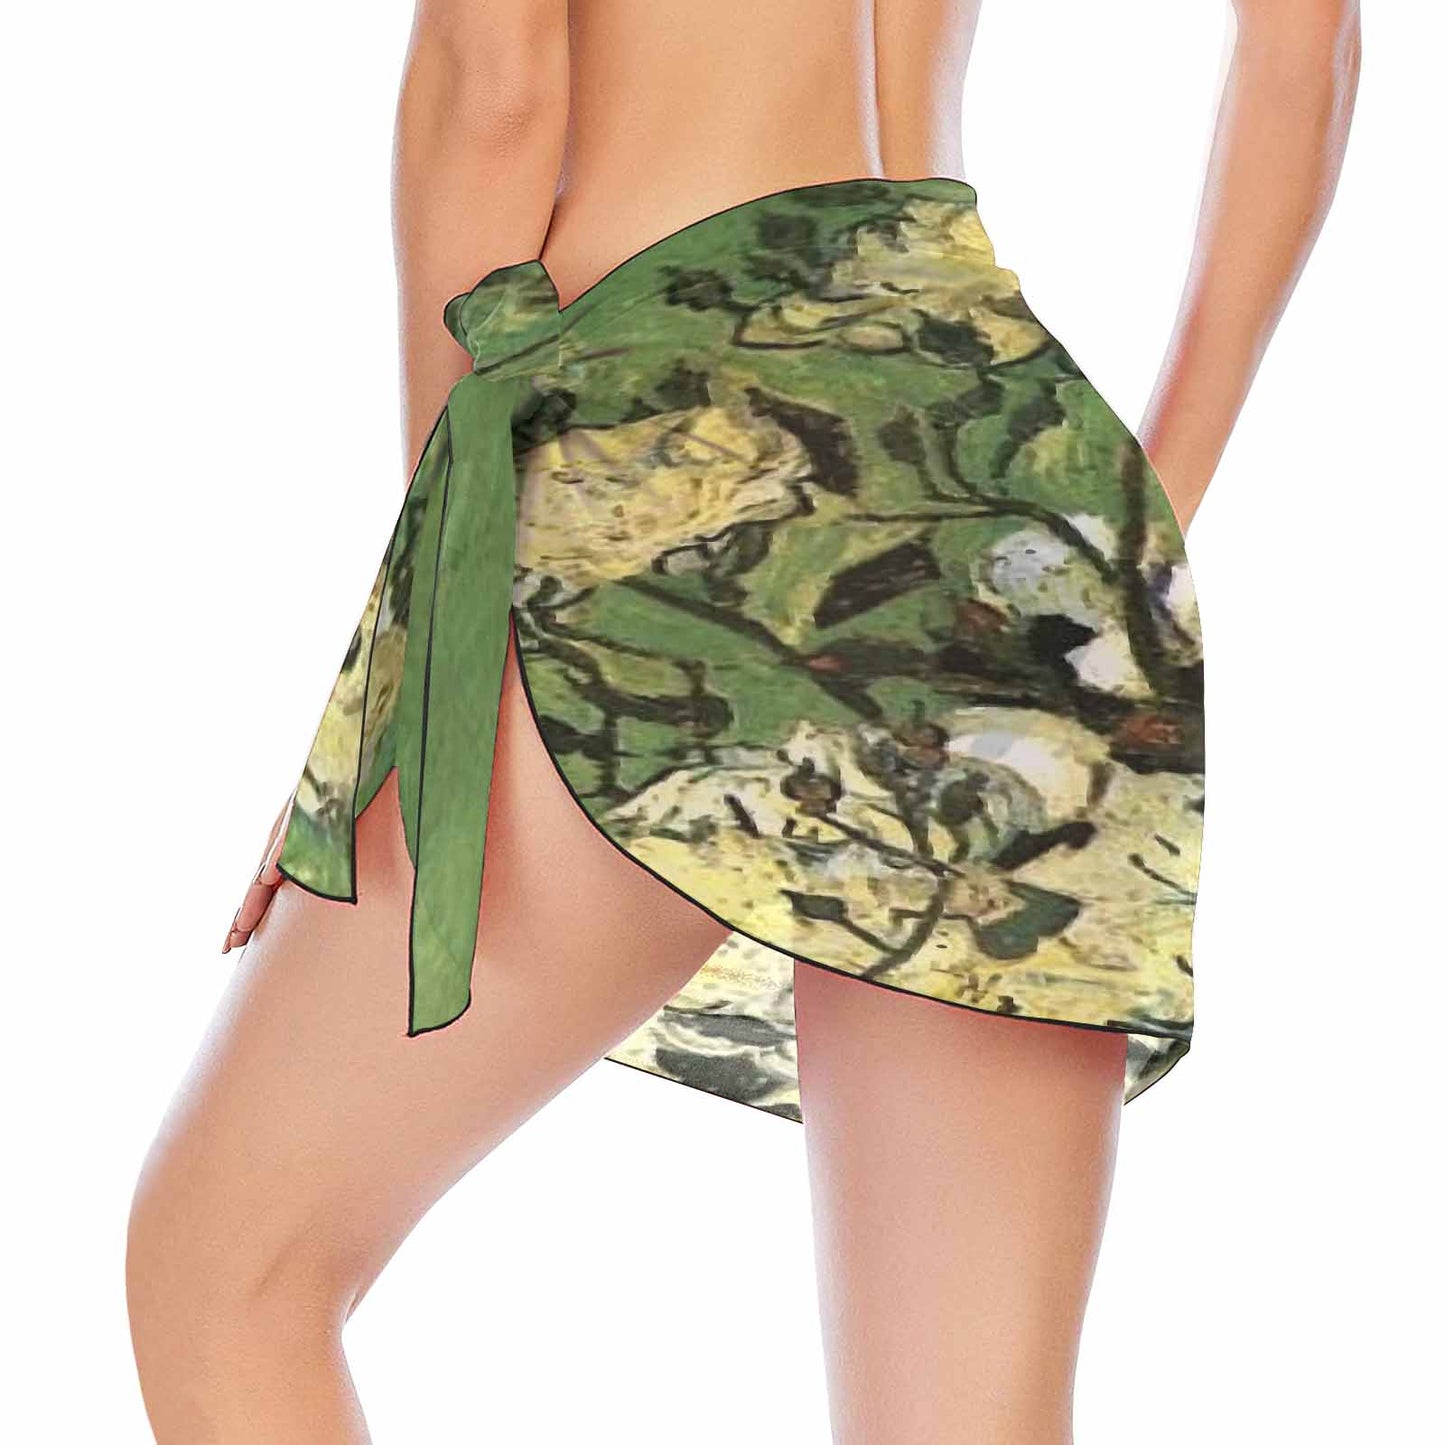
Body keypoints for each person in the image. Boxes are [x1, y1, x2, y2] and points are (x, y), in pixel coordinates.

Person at [126, 2, 1361, 1440]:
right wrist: (1128, 524)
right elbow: (1308, 45)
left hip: (679, 452)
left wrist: (436, 627)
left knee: (230, 1273)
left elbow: (492, 82)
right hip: (1010, 469)